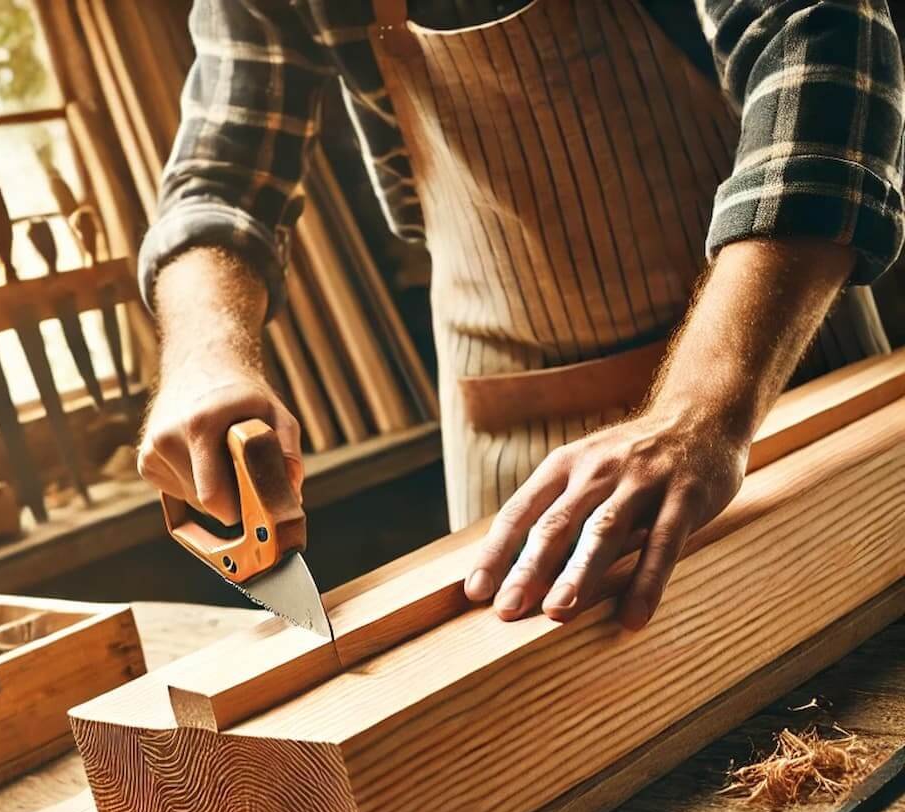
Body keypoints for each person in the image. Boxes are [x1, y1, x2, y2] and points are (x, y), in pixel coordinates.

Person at [136, 1, 904, 628]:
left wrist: (704, 413)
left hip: (771, 383)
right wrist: (204, 359)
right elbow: (219, 180)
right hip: (510, 434)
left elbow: (825, 57)